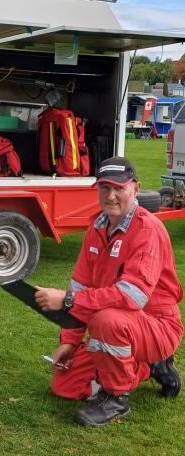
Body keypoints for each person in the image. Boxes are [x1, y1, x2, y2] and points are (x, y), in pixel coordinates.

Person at [35, 156, 182, 427]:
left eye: (119, 188)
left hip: (158, 325)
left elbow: (132, 296)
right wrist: (70, 340)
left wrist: (67, 299)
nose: (111, 196)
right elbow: (80, 284)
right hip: (121, 325)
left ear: (135, 189)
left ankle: (117, 398)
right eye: (104, 188)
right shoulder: (97, 227)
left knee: (106, 319)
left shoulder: (148, 229)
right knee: (64, 385)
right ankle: (148, 366)